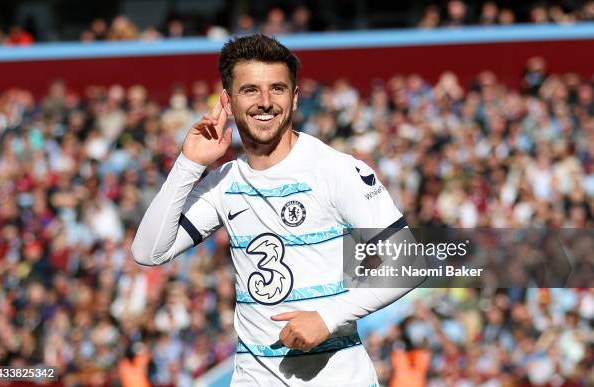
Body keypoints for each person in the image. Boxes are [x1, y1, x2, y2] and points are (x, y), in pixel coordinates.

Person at [131, 34, 415, 386]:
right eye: (250, 90)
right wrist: (188, 163)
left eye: (277, 89)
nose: (265, 102)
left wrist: (327, 318)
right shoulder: (224, 182)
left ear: (294, 98)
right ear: (227, 100)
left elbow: (408, 263)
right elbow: (147, 251)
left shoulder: (335, 170)